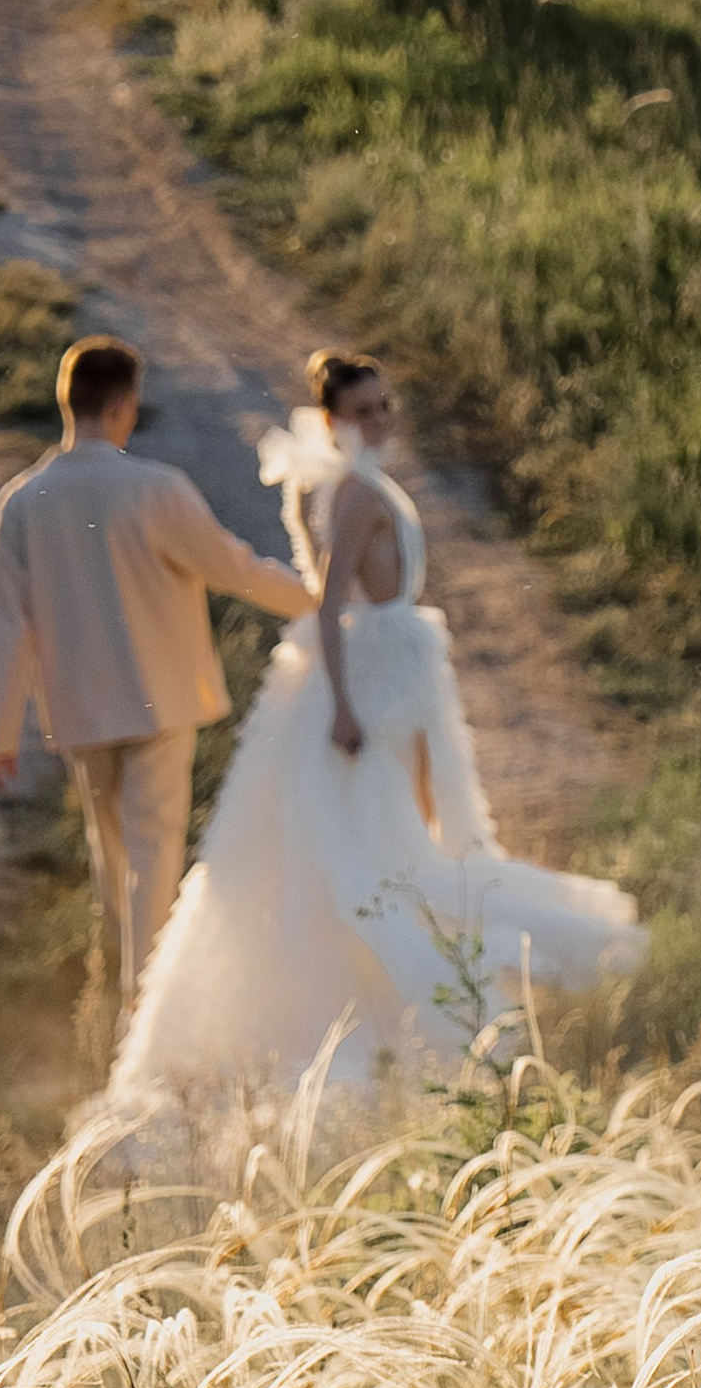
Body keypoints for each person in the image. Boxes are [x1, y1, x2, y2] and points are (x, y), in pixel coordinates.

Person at [103, 348, 642, 1115]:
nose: (381, 421)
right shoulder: (354, 492)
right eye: (364, 412)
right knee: (371, 852)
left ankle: (374, 1008)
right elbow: (328, 605)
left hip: (382, 676)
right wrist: (349, 710)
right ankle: (379, 1017)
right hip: (364, 684)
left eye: (385, 406)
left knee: (384, 840)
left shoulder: (342, 487)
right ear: (333, 422)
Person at [0, 334, 318, 1001]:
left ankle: (129, 999)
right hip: (162, 699)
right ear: (126, 406)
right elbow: (233, 568)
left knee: (115, 861)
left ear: (65, 402)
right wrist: (317, 600)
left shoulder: (21, 501)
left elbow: (9, 621)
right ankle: (145, 1010)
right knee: (155, 853)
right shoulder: (156, 489)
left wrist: (0, 729)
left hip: (80, 711)